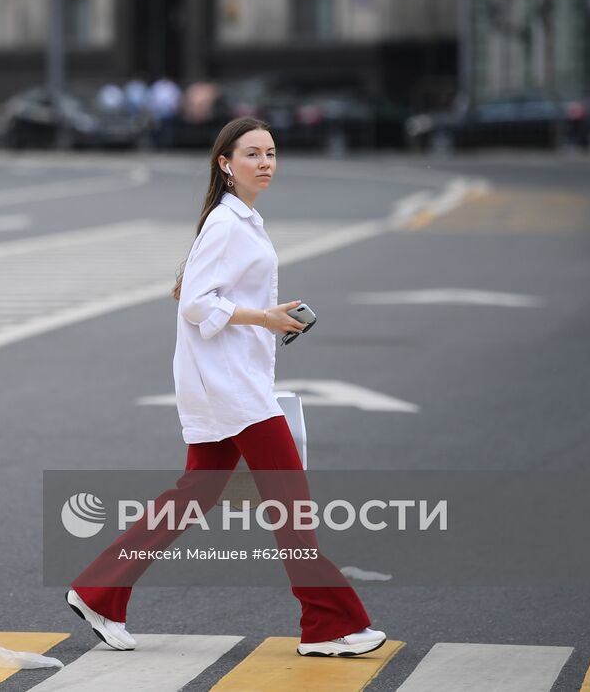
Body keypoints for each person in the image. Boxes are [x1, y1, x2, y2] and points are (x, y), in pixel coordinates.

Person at [66, 116, 386, 658]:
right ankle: (329, 624)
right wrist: (264, 317)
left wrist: (271, 320)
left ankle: (100, 590)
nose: (265, 163)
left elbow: (212, 298)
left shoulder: (243, 220)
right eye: (253, 154)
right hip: (233, 391)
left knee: (196, 494)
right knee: (292, 508)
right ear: (225, 163)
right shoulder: (226, 223)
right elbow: (193, 302)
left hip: (230, 382)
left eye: (271, 153)